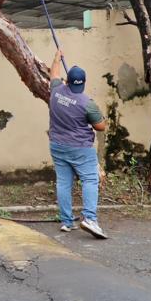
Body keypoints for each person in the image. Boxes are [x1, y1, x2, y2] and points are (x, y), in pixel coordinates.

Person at [48, 50, 108, 239]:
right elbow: (100, 126)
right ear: (83, 83)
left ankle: (67, 221)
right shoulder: (86, 103)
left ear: (67, 80)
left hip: (57, 145)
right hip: (80, 148)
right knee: (90, 180)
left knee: (64, 183)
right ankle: (90, 219)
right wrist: (100, 117)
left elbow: (54, 75)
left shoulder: (56, 91)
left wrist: (57, 58)